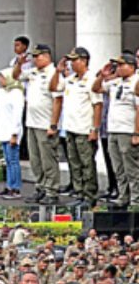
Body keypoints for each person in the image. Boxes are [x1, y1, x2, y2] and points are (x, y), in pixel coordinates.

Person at [50, 47, 103, 208]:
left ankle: (90, 195)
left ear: (84, 60)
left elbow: (97, 105)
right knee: (74, 163)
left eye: (75, 60)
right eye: (71, 61)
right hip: (70, 128)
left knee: (87, 164)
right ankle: (79, 193)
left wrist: (95, 129)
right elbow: (53, 88)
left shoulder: (91, 79)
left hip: (85, 129)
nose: (72, 64)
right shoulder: (70, 79)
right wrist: (57, 72)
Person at [93, 53, 139, 208]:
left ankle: (135, 198)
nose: (118, 68)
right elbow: (96, 88)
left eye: (122, 65)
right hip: (113, 129)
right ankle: (123, 196)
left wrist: (136, 132)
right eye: (117, 65)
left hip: (127, 130)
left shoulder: (136, 83)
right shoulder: (115, 82)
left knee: (131, 168)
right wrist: (102, 75)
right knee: (118, 167)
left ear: (132, 67)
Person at [0, 67, 24, 200]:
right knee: (8, 161)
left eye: (3, 77)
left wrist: (14, 133)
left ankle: (15, 188)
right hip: (3, 131)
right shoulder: (4, 92)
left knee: (13, 160)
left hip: (11, 132)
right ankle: (9, 185)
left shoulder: (16, 93)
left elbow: (17, 115)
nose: (1, 80)